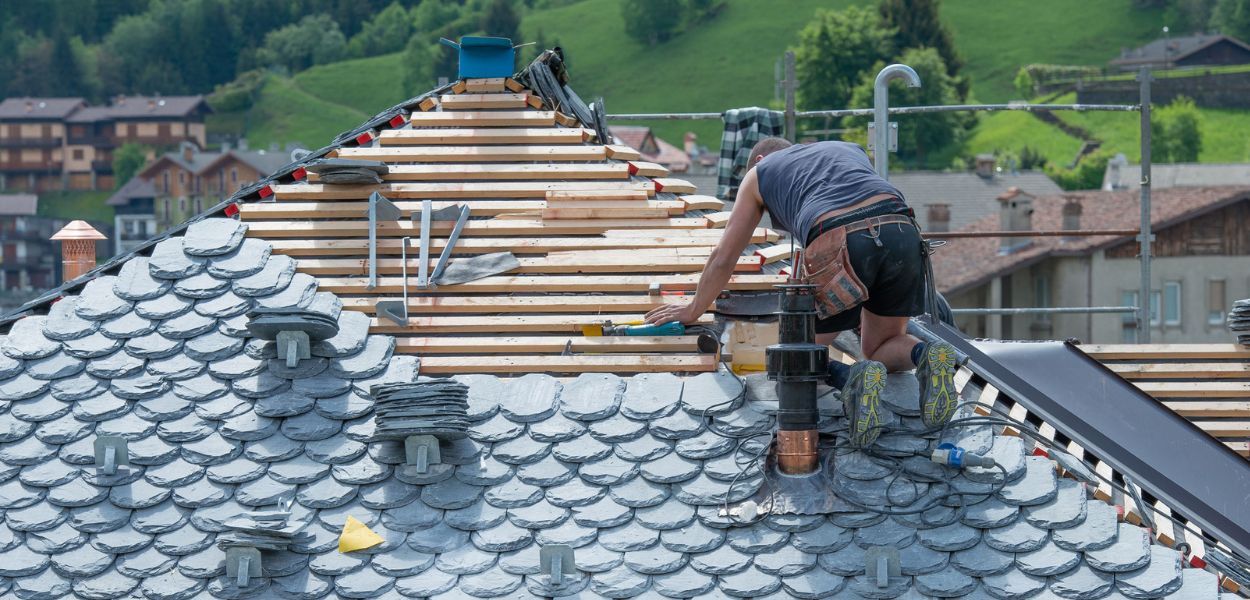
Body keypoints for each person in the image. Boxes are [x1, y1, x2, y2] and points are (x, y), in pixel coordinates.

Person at [645, 138, 958, 447]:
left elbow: (724, 256)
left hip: (840, 238)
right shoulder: (844, 148)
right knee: (881, 346)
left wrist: (693, 309)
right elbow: (864, 213)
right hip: (902, 229)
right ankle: (926, 353)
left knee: (796, 359)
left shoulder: (759, 173)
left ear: (759, 160)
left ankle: (852, 379)